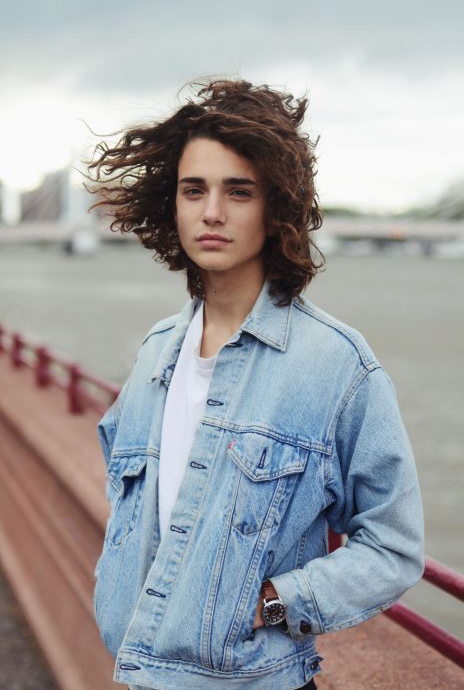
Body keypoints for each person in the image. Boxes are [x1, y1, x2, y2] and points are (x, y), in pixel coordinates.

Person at [87, 79, 424, 690]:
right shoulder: (157, 351)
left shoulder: (337, 364)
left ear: (276, 209)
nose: (211, 211)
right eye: (195, 190)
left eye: (238, 191)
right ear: (175, 204)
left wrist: (271, 601)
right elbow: (129, 509)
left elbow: (393, 546)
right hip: (139, 676)